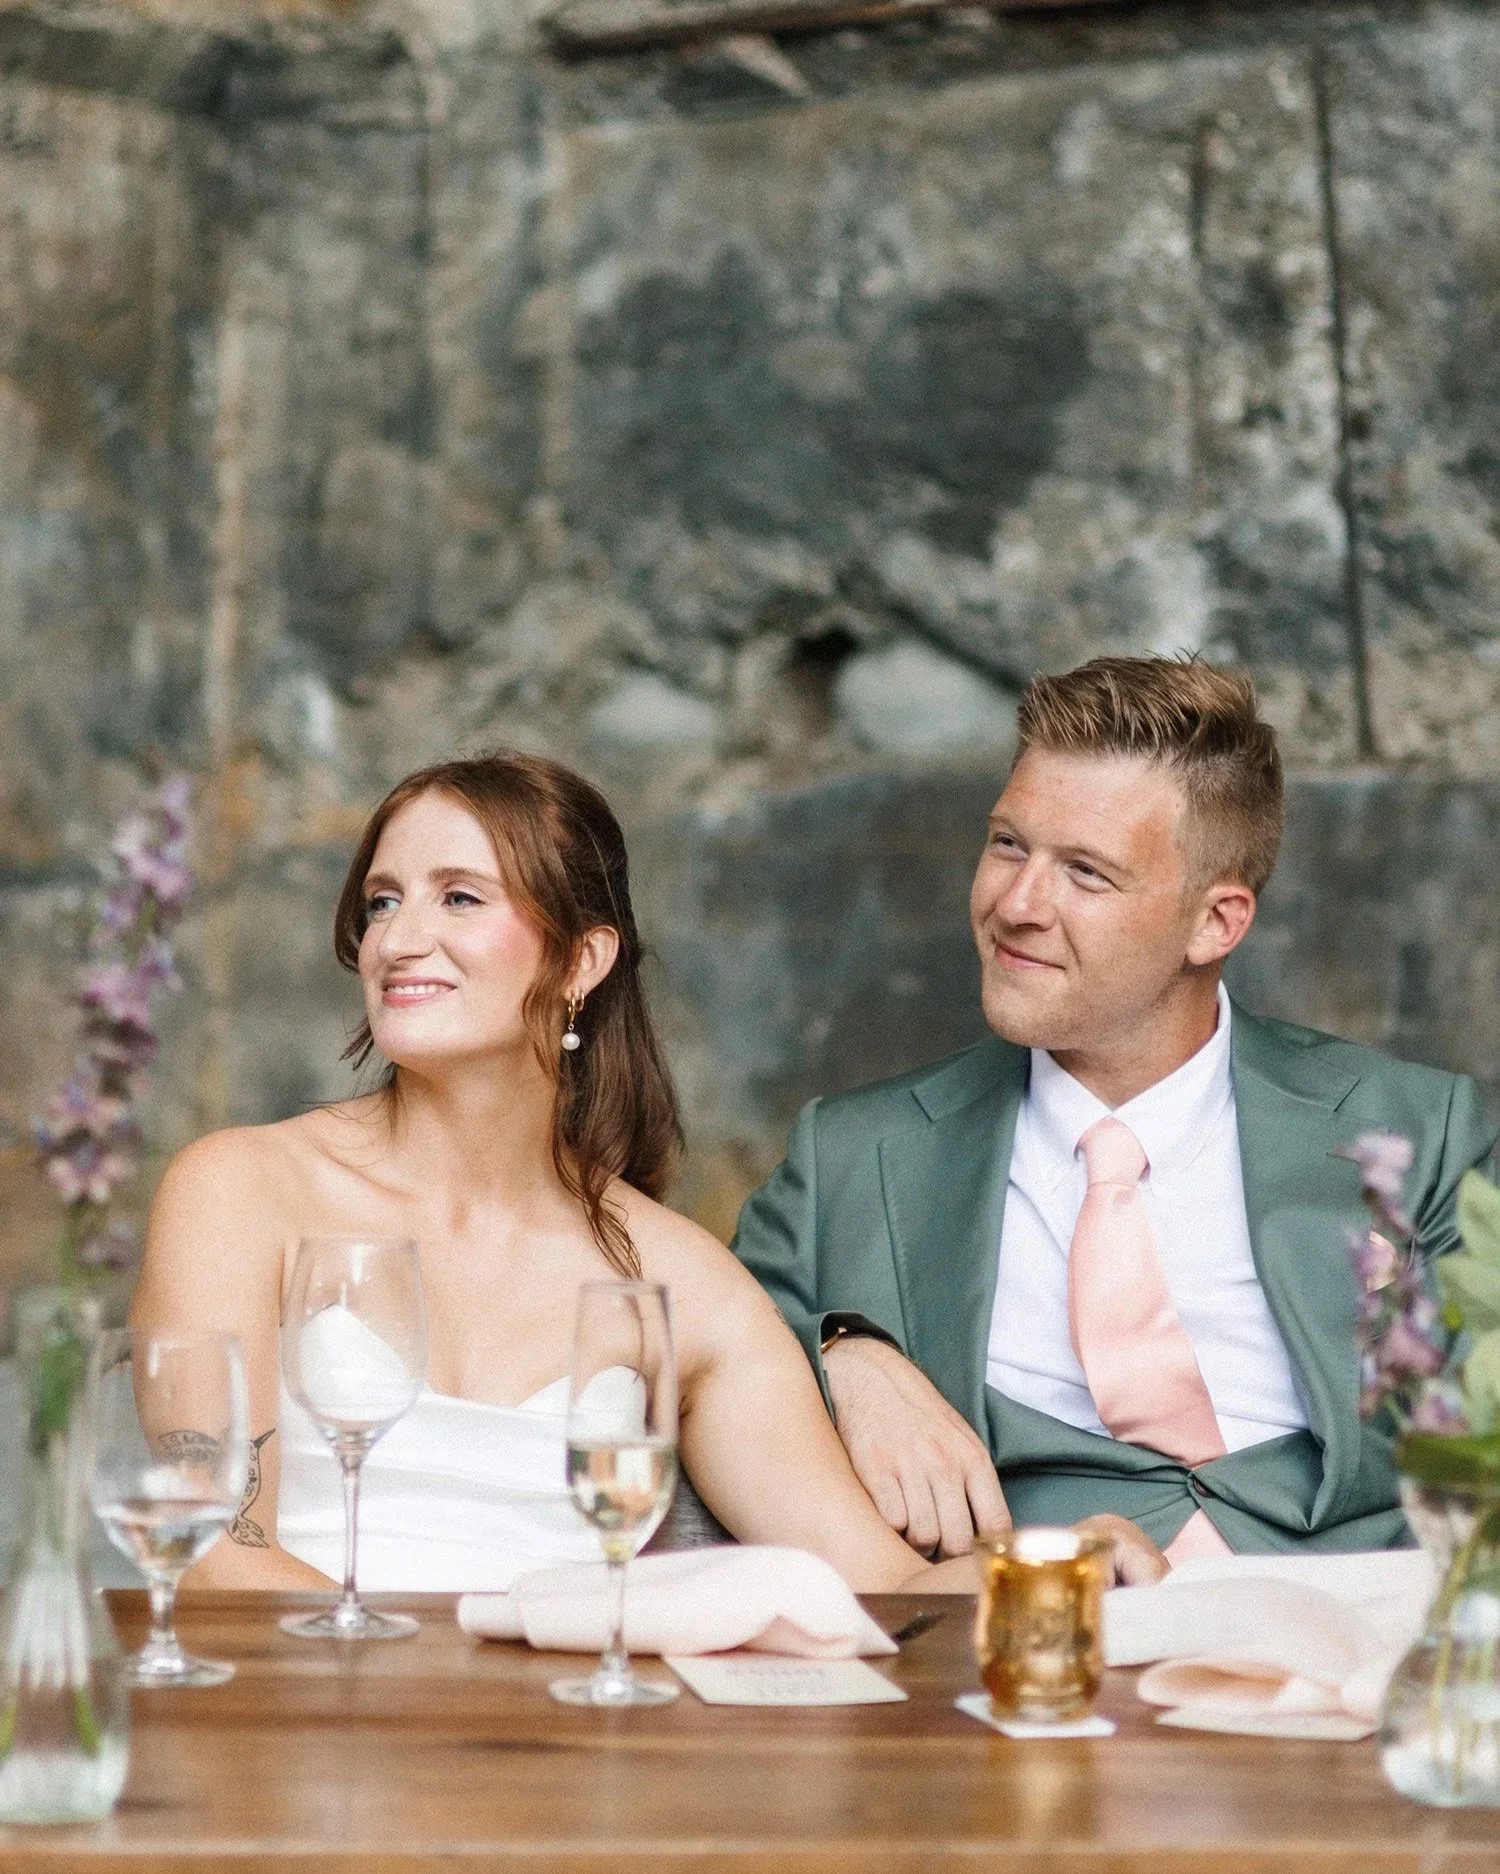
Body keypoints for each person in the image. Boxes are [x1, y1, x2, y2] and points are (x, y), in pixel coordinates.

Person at [134, 752, 1142, 1595]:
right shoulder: (239, 1190)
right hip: (285, 1740)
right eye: (384, 899)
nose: (399, 936)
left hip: (558, 1763)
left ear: (581, 960)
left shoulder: (676, 1277)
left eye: (459, 896)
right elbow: (218, 1550)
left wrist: (1060, 1559)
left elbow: (874, 1584)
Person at [733, 655, 1497, 1566]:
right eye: (1008, 844)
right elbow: (692, 1360)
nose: (1016, 904)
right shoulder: (851, 1154)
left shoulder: (1419, 1128)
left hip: (1357, 1637)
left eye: (1086, 873)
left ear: (1216, 922)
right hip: (1027, 1643)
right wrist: (842, 1354)